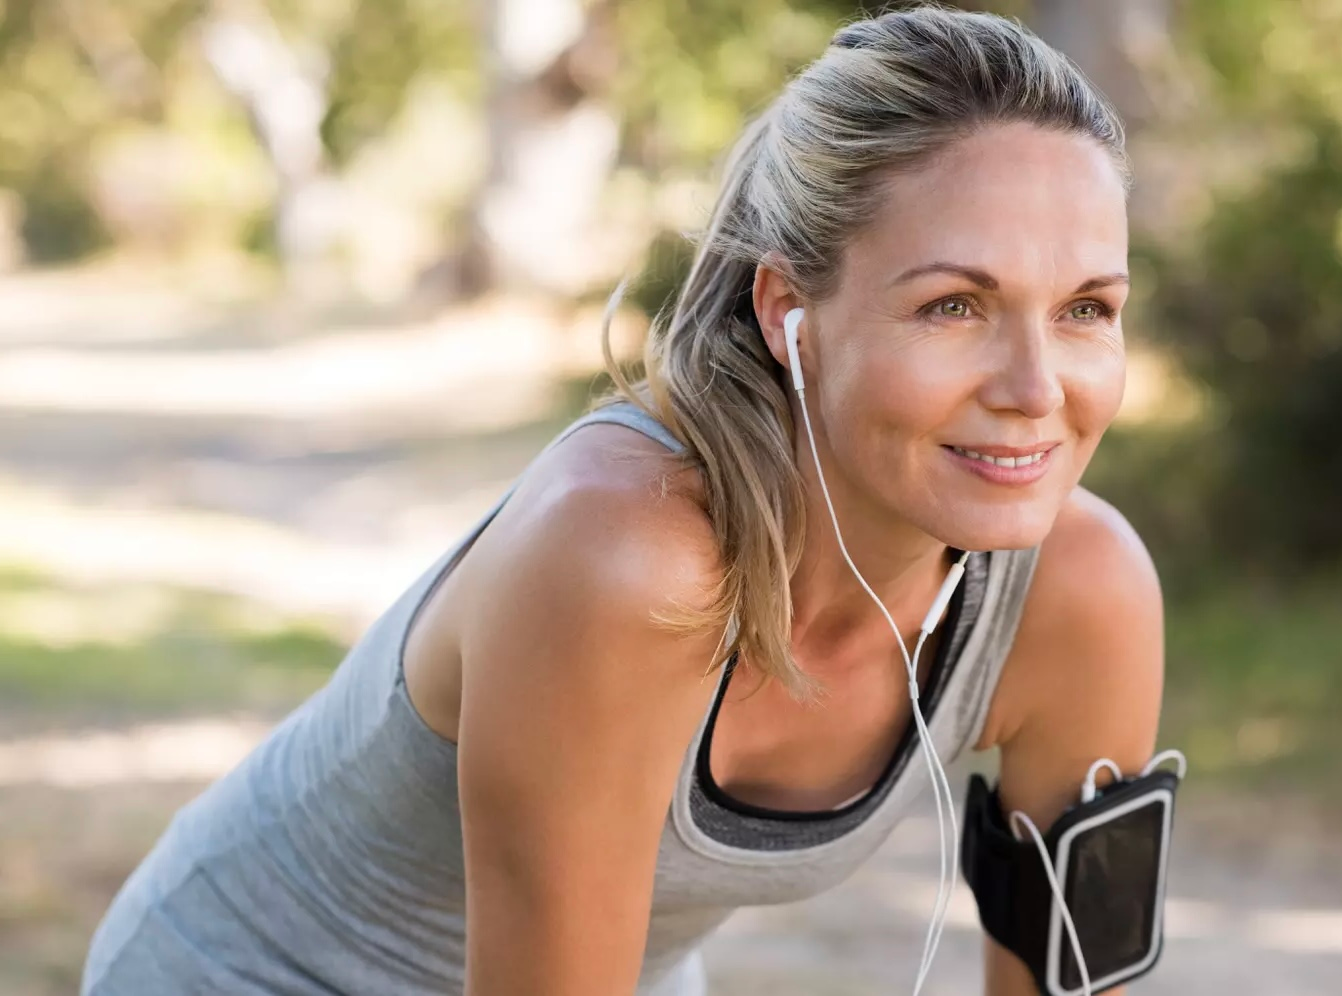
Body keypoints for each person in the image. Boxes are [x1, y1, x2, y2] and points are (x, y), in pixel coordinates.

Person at [81, 6, 1163, 995]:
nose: (1036, 390)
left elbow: (1078, 986)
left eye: (1085, 310)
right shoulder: (628, 559)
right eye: (954, 305)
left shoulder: (1081, 595)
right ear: (791, 312)